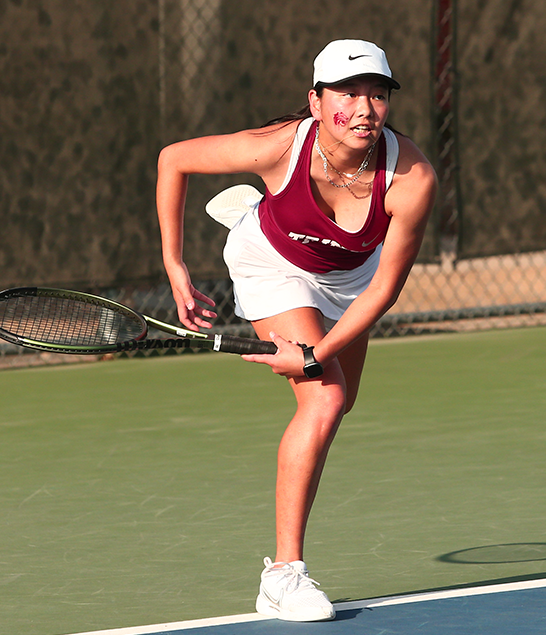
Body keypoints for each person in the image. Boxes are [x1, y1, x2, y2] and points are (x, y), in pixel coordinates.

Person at [155, 39, 437, 622]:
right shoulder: (282, 145)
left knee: (339, 398)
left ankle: (266, 217)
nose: (364, 109)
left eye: (377, 96)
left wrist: (316, 351)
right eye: (348, 94)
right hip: (273, 264)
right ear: (316, 101)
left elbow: (384, 289)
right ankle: (283, 576)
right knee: (325, 397)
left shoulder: (411, 178)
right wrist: (175, 266)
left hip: (352, 279)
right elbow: (172, 159)